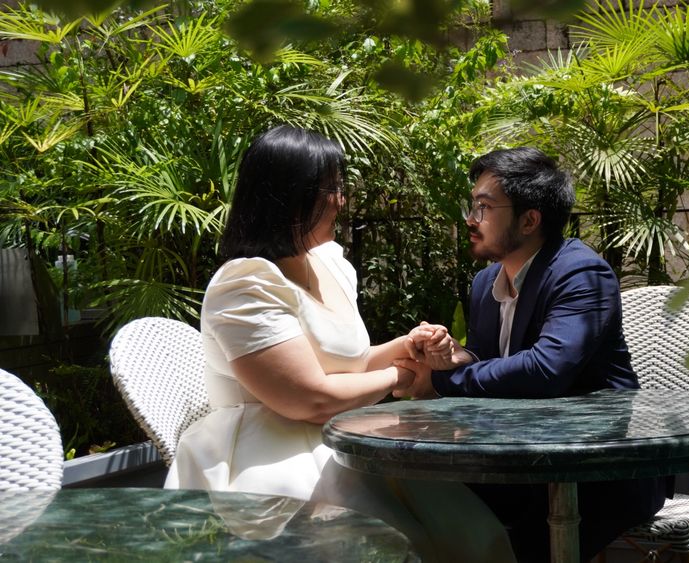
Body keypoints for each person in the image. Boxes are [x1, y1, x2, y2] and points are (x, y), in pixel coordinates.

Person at [165, 125, 514, 563]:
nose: (342, 201)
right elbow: (308, 397)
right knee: (385, 546)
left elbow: (348, 362)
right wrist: (400, 374)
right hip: (268, 454)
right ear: (290, 195)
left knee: (472, 534)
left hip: (344, 433)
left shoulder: (328, 264)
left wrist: (409, 344)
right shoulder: (245, 284)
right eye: (330, 188)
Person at [397, 146, 672, 562]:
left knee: (510, 548)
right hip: (516, 466)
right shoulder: (486, 283)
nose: (471, 220)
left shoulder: (581, 273)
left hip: (598, 471)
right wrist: (457, 357)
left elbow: (546, 369)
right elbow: (494, 361)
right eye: (471, 206)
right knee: (416, 507)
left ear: (530, 219)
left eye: (484, 208)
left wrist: (440, 381)